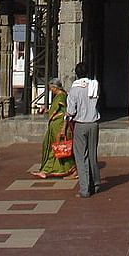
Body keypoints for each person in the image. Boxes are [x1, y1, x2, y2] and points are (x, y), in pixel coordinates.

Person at [66, 62, 101, 198]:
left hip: (81, 124)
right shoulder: (94, 85)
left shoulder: (74, 90)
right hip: (94, 123)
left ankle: (85, 189)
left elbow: (71, 110)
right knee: (92, 155)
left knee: (81, 157)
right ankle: (96, 184)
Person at [32, 79, 76, 179]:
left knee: (59, 147)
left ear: (55, 87)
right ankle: (47, 169)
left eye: (51, 88)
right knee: (51, 146)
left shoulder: (61, 97)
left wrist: (63, 128)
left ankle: (64, 168)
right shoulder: (59, 96)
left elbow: (65, 113)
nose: (51, 91)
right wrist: (47, 110)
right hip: (54, 126)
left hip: (59, 126)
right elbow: (56, 111)